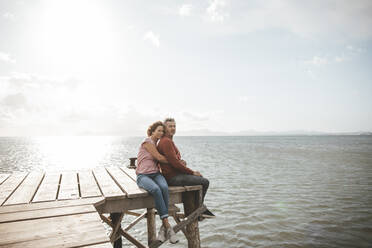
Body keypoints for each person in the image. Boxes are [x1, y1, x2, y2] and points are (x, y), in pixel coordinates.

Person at [157, 118, 214, 219]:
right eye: (170, 126)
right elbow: (174, 163)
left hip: (174, 174)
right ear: (165, 128)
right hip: (172, 177)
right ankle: (199, 210)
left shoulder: (168, 140)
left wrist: (180, 162)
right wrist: (192, 172)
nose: (173, 128)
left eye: (174, 126)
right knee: (205, 182)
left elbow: (174, 160)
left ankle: (198, 210)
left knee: (199, 181)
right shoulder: (166, 141)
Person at [136, 121, 178, 244]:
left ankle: (163, 229)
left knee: (164, 187)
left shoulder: (157, 143)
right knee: (155, 189)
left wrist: (175, 160)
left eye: (162, 131)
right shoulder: (147, 141)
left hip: (156, 174)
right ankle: (167, 226)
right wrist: (176, 162)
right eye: (158, 130)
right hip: (143, 175)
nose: (161, 133)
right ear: (152, 131)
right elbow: (159, 158)